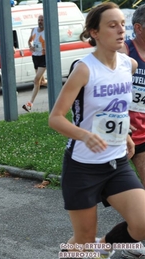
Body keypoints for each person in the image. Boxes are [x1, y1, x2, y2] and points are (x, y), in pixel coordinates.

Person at [49, 3, 145, 258]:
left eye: (122, 25)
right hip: (82, 166)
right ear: (95, 33)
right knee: (83, 241)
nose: (120, 30)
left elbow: (117, 109)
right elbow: (55, 119)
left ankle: (105, 246)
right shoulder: (84, 69)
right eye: (112, 26)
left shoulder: (129, 66)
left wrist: (123, 133)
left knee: (142, 224)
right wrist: (85, 135)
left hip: (116, 163)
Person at [118, 5, 145, 258]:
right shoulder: (125, 50)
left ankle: (132, 235)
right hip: (127, 132)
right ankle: (130, 235)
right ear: (138, 28)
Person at [23, 14, 46, 112]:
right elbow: (29, 41)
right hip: (35, 56)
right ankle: (59, 85)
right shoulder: (34, 30)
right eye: (39, 20)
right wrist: (30, 46)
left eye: (42, 20)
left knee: (36, 80)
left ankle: (30, 103)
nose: (40, 21)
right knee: (40, 81)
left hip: (43, 57)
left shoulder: (47, 31)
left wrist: (46, 49)